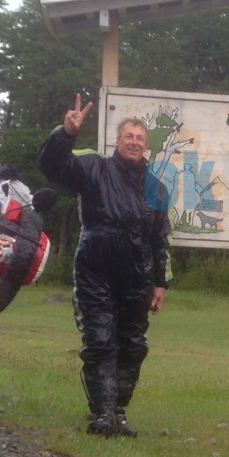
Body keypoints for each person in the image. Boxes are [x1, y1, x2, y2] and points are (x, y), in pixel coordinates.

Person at [38, 94, 172, 438]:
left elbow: (160, 238)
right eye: (129, 136)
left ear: (146, 146)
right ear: (117, 140)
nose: (134, 142)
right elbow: (54, 167)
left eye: (140, 138)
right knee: (99, 341)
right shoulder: (94, 166)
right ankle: (102, 415)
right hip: (95, 271)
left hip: (138, 277)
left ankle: (120, 412)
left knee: (133, 345)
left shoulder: (156, 186)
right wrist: (65, 134)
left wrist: (161, 283)